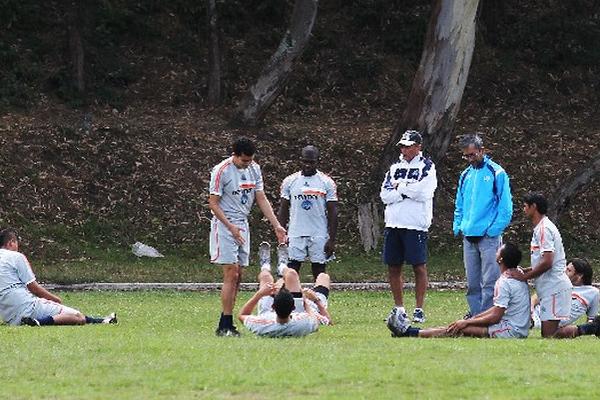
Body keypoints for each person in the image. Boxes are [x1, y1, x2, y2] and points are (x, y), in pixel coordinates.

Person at [209, 137, 287, 337]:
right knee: (231, 272)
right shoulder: (221, 171)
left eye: (250, 160)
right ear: (234, 155)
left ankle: (226, 322)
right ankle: (225, 324)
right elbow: (213, 203)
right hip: (225, 225)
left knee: (239, 276)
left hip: (242, 224)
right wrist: (230, 226)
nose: (247, 164)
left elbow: (260, 197)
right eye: (244, 160)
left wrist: (276, 225)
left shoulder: (254, 169)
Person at [388, 243, 530, 338]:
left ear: (500, 259)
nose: (496, 251)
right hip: (517, 327)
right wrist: (473, 319)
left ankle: (411, 333)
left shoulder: (504, 282)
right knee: (460, 325)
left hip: (512, 331)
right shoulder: (517, 273)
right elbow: (496, 310)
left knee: (460, 329)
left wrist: (468, 323)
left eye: (499, 250)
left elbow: (495, 317)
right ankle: (413, 331)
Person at [0, 228, 117, 327]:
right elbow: (33, 287)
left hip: (8, 315)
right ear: (11, 242)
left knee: (65, 313)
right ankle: (38, 322)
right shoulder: (16, 256)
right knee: (78, 317)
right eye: (16, 243)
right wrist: (55, 299)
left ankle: (103, 320)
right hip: (25, 306)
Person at [453, 133, 513, 318]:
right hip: (468, 234)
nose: (470, 159)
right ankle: (475, 314)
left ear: (481, 151)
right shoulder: (465, 175)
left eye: (472, 155)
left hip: (489, 236)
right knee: (472, 281)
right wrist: (459, 225)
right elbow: (460, 204)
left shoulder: (496, 172)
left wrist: (493, 230)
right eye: (466, 156)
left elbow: (505, 207)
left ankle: (488, 315)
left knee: (490, 280)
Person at [380, 130, 437, 324]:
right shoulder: (394, 168)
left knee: (418, 266)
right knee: (393, 266)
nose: (404, 149)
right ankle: (400, 308)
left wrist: (400, 188)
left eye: (408, 145)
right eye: (402, 146)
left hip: (416, 224)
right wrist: (404, 192)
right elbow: (385, 195)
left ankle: (419, 308)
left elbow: (423, 192)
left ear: (418, 147)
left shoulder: (427, 166)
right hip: (394, 223)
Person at [506, 193, 573, 338]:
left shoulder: (544, 229)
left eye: (525, 206)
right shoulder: (540, 228)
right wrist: (527, 270)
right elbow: (543, 261)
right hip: (548, 288)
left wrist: (525, 277)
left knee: (550, 335)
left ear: (533, 207)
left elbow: (548, 262)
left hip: (555, 287)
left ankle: (588, 328)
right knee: (547, 333)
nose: (523, 210)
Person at [278, 145, 338, 281]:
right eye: (305, 161)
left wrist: (332, 239)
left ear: (318, 161)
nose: (308, 165)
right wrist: (281, 233)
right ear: (300, 160)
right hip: (295, 232)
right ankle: (292, 301)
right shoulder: (289, 181)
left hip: (318, 233)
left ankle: (320, 300)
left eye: (311, 162)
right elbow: (283, 209)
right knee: (292, 270)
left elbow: (333, 211)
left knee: (319, 270)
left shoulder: (327, 182)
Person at [238, 263, 331, 337]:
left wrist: (259, 294)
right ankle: (282, 266)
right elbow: (327, 321)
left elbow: (242, 315)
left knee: (265, 276)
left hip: (266, 313)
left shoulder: (262, 324)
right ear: (294, 307)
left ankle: (265, 265)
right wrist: (312, 299)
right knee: (323, 276)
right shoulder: (304, 322)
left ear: (272, 306)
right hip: (311, 303)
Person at [531, 258, 599, 329]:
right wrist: (531, 308)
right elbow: (536, 297)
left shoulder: (592, 293)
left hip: (543, 323)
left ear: (580, 276)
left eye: (569, 270)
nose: (564, 272)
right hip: (533, 313)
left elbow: (591, 320)